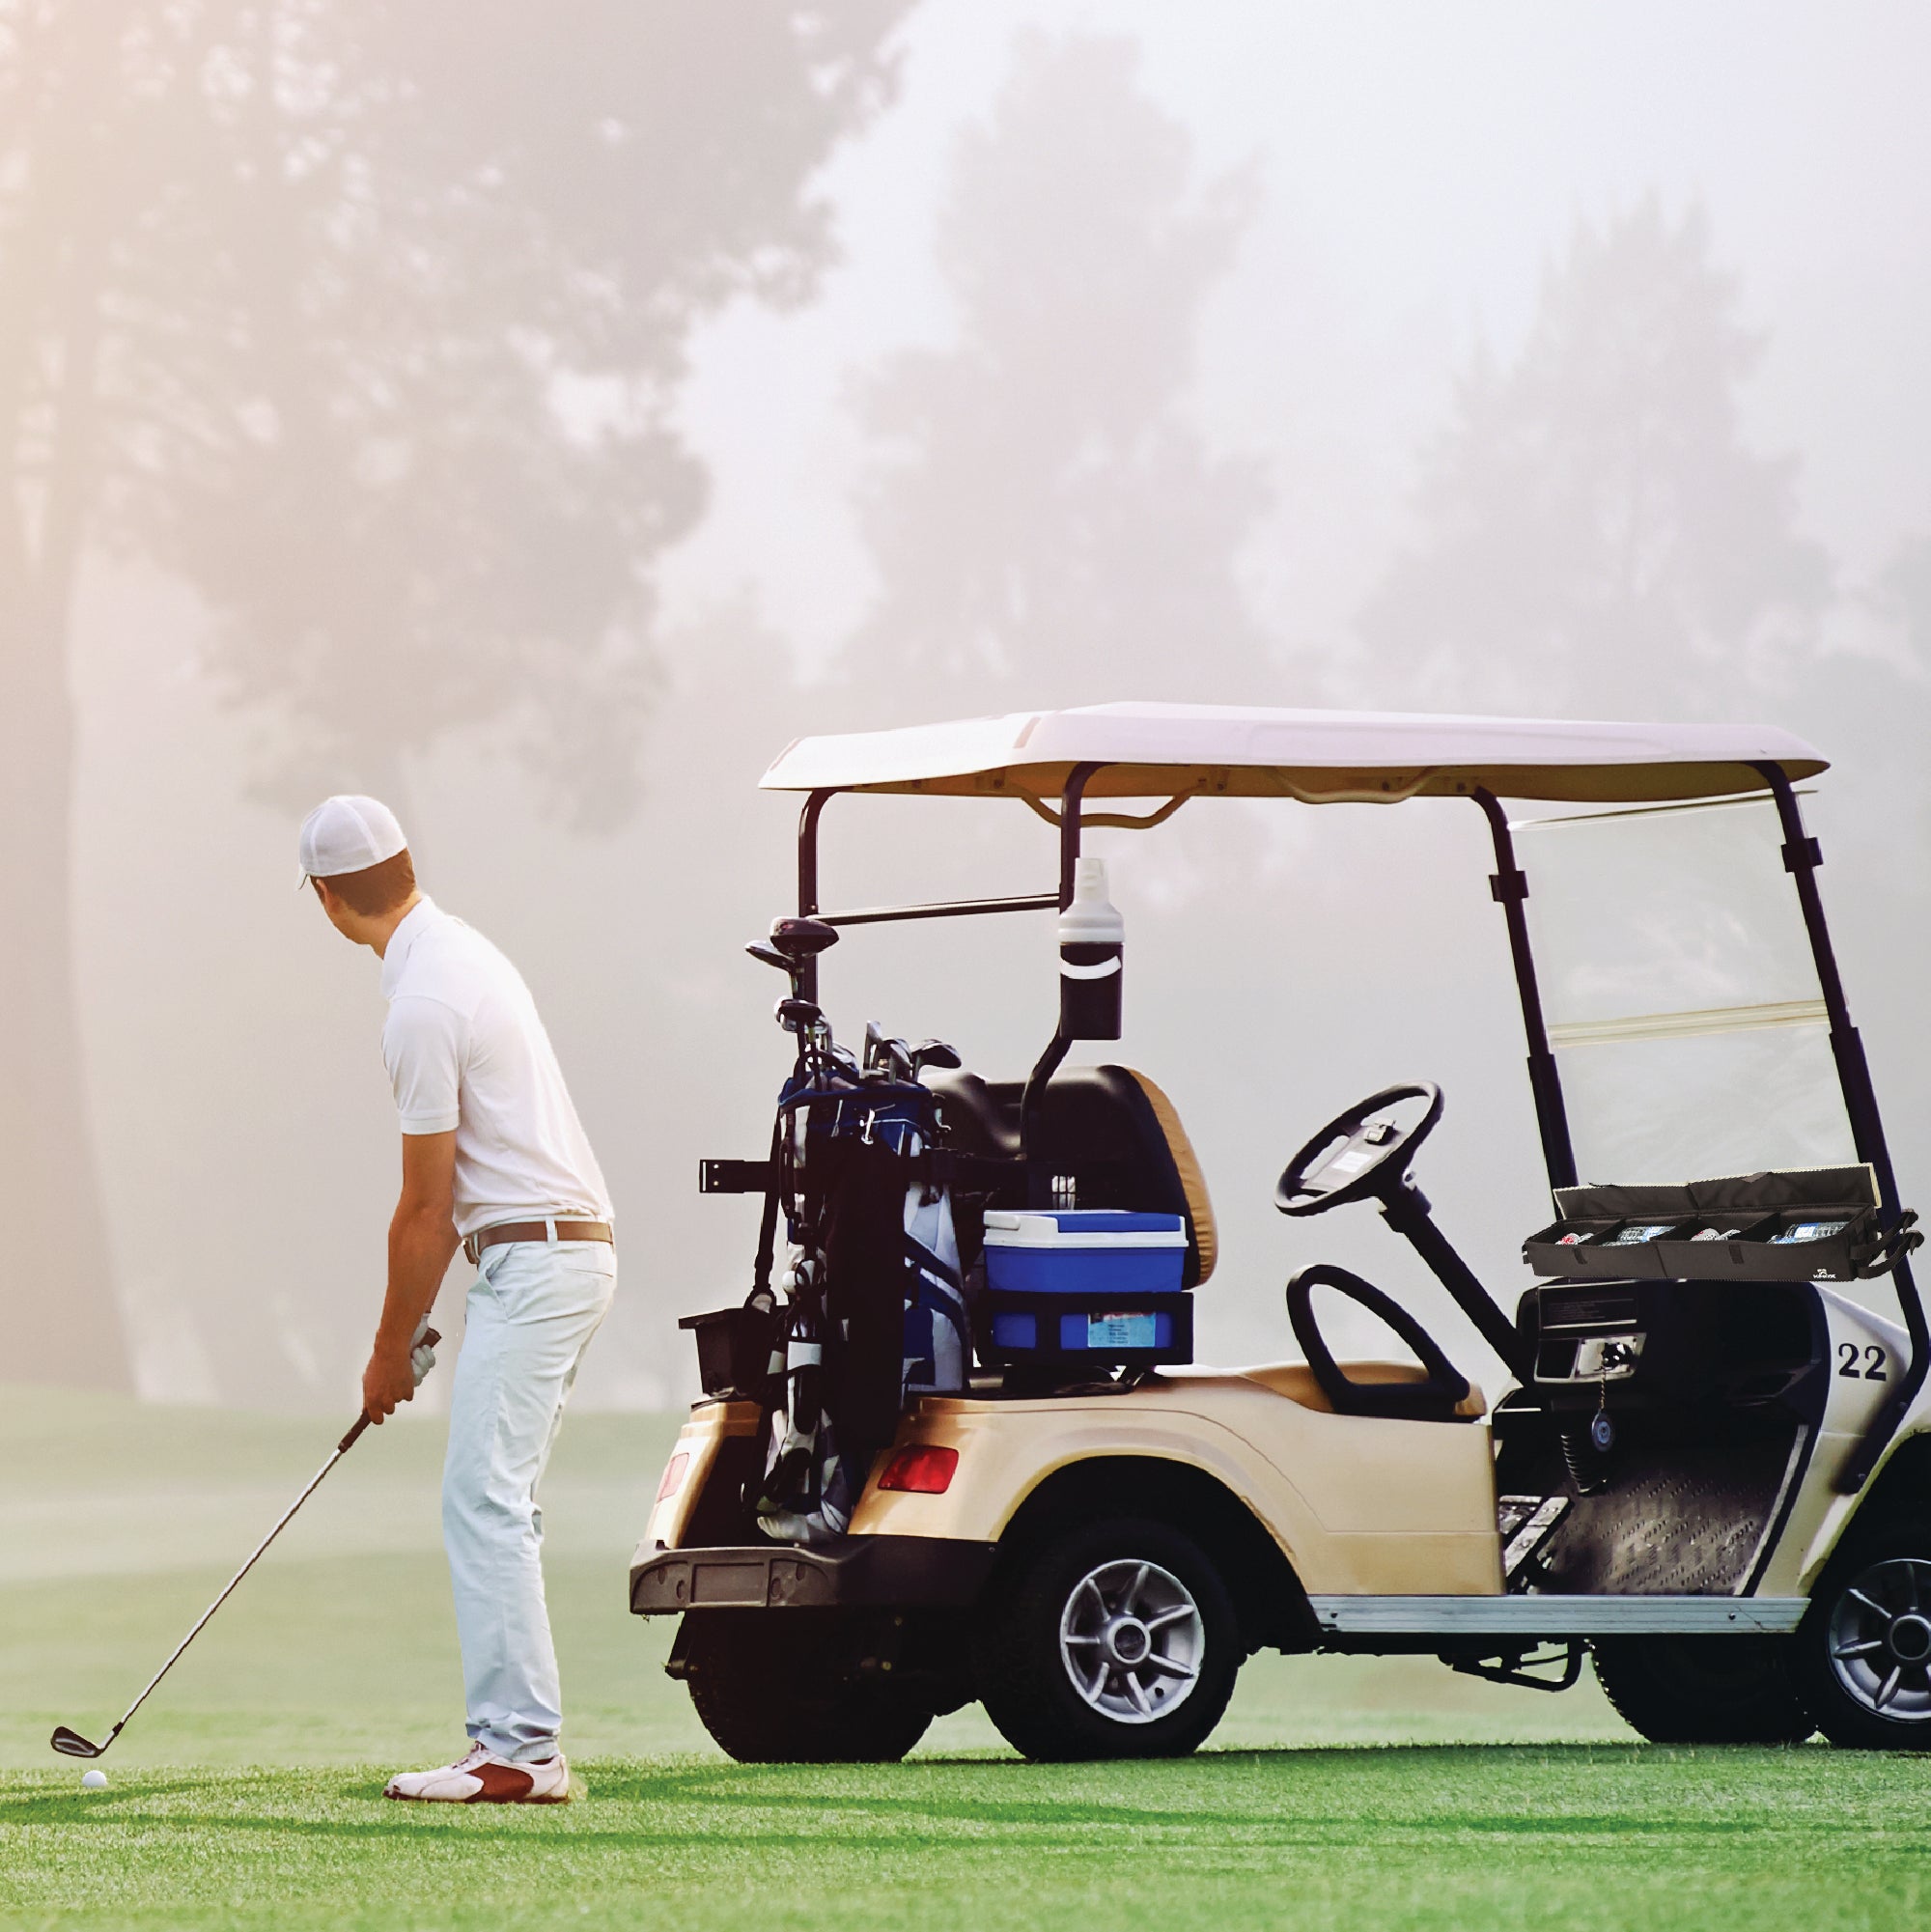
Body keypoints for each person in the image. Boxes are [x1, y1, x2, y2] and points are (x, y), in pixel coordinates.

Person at [298, 795, 615, 1805]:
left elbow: (425, 1211)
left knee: (483, 1498)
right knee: (495, 1498)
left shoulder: (422, 1003)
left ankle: (519, 1751)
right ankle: (517, 1743)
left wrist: (387, 1351)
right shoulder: (459, 952)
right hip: (544, 1252)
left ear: (326, 898)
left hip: (540, 1257)